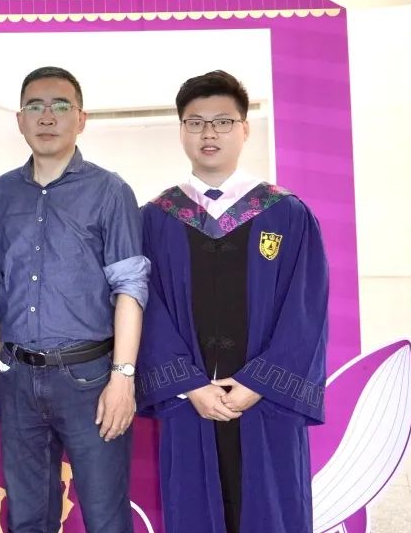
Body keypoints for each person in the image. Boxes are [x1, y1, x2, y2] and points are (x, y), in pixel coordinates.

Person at [136, 70, 329, 533]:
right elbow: (147, 308)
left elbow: (305, 310)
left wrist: (258, 383)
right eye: (195, 122)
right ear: (181, 130)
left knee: (270, 510)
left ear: (244, 129)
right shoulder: (156, 218)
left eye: (223, 121)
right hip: (190, 403)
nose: (209, 133)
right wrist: (190, 385)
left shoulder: (286, 213)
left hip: (265, 404)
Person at [0, 66, 149, 533]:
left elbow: (131, 287)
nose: (47, 116)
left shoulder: (110, 191)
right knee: (26, 519)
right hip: (19, 379)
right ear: (20, 120)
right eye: (35, 106)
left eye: (60, 106)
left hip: (90, 380)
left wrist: (122, 379)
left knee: (104, 518)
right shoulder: (2, 192)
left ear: (81, 119)